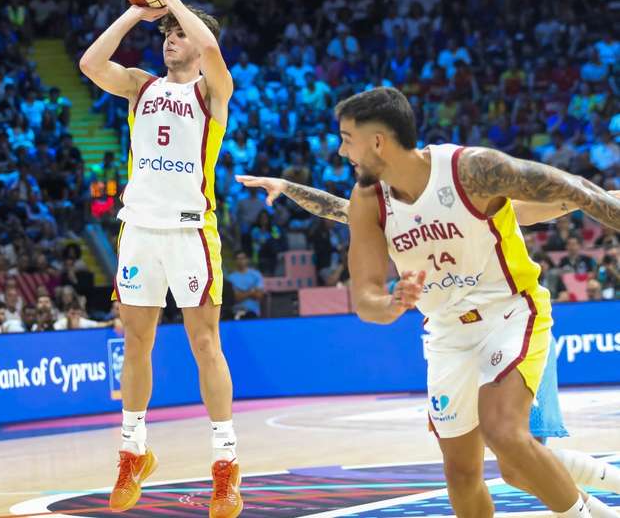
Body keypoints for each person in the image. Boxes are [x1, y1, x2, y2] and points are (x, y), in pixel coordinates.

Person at [236, 175, 620, 514]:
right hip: (455, 338)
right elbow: (337, 208)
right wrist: (287, 187)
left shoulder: (471, 203)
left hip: (512, 326)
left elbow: (559, 202)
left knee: (521, 461)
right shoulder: (386, 215)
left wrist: (603, 197)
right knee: (519, 467)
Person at [338, 87, 619, 517]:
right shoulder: (368, 200)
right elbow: (365, 298)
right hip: (447, 333)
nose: (342, 152)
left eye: (347, 139)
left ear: (377, 141)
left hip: (509, 311)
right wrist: (391, 303)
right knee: (461, 473)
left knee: (505, 434)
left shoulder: (471, 170)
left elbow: (575, 189)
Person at [78, 0, 241, 516]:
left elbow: (213, 51)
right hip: (139, 231)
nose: (170, 38)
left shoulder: (212, 92)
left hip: (191, 233)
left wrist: (172, 0)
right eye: (167, 33)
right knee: (136, 343)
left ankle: (226, 465)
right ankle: (132, 452)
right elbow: (89, 63)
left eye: (179, 33)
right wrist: (136, 12)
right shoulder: (140, 86)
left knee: (205, 345)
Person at [226, 251, 264, 319]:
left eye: (243, 258)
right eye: (238, 259)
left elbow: (259, 295)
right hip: (235, 313)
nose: (241, 261)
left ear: (247, 260)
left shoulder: (256, 275)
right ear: (235, 261)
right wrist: (251, 291)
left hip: (253, 312)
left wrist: (241, 293)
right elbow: (235, 298)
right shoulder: (231, 278)